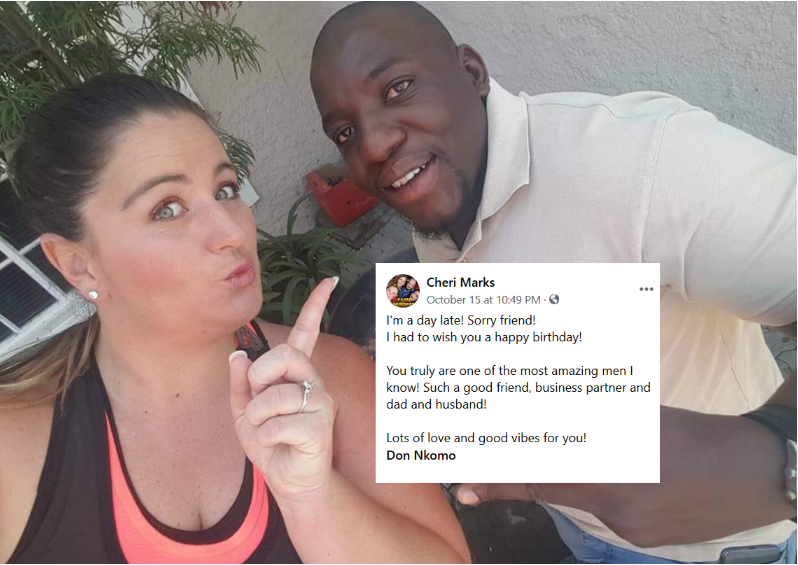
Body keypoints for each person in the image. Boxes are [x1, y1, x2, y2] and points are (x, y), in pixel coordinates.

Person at [310, 2, 797, 563]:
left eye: (397, 89)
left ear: (471, 73)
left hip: (722, 548)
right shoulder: (441, 200)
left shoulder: (642, 161)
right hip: (580, 533)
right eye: (345, 132)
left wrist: (774, 465)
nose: (372, 146)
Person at [0, 74, 470, 564]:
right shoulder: (14, 441)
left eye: (225, 190)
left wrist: (312, 496)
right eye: (167, 210)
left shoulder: (332, 377)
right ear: (79, 264)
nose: (231, 231)